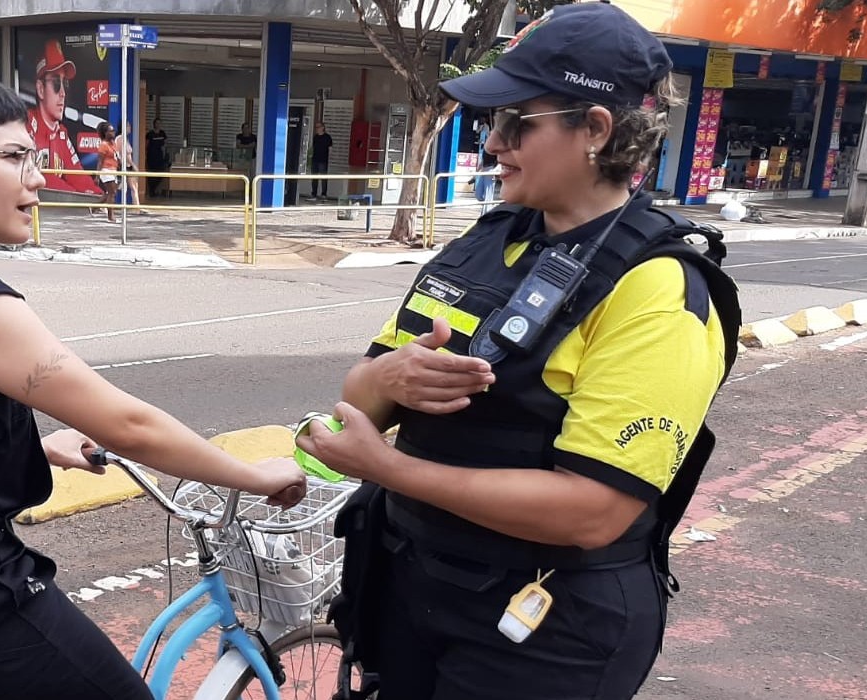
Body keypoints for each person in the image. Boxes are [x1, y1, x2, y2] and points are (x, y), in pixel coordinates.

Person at [0, 69, 308, 700]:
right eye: (15, 157)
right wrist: (258, 476)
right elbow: (129, 425)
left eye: (36, 158)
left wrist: (39, 447)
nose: (38, 178)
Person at [296, 4, 742, 699]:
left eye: (515, 122)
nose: (492, 142)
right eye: (488, 122)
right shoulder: (486, 240)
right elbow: (361, 399)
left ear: (594, 130)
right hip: (413, 586)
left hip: (545, 627)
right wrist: (388, 375)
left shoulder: (658, 290)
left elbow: (594, 511)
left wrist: (386, 467)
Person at [26, 39, 97, 194]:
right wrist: (76, 197)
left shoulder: (61, 133)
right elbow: (39, 176)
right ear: (40, 89)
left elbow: (76, 174)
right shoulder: (27, 124)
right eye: (57, 84)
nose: (63, 93)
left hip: (53, 214)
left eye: (65, 84)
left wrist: (98, 196)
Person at [92, 122, 120, 222]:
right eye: (111, 131)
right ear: (105, 133)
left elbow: (116, 156)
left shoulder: (113, 143)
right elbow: (100, 162)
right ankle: (110, 216)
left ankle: (94, 207)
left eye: (113, 130)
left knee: (110, 193)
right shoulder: (103, 145)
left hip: (114, 170)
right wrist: (97, 176)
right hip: (106, 170)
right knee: (112, 193)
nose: (113, 133)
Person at [145, 117, 169, 197]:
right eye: (156, 123)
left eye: (159, 123)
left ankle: (154, 188)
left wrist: (164, 152)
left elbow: (165, 144)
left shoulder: (162, 133)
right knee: (151, 174)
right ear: (154, 124)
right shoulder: (150, 134)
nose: (158, 125)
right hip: (151, 157)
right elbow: (146, 145)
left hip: (160, 157)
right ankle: (151, 191)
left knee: (160, 173)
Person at [310, 121, 333, 200]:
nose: (317, 129)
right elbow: (313, 148)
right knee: (314, 178)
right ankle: (314, 194)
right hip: (315, 159)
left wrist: (329, 159)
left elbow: (330, 149)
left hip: (323, 160)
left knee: (323, 178)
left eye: (318, 127)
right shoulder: (315, 137)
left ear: (323, 127)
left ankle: (324, 194)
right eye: (316, 127)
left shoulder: (327, 137)